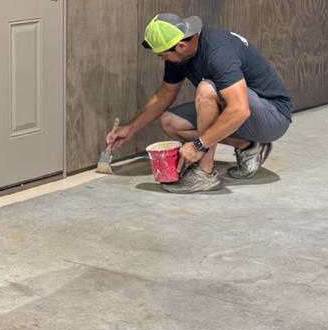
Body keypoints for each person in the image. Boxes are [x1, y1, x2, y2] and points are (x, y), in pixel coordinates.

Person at [107, 13, 293, 194]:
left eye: (162, 55)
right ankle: (248, 146)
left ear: (180, 46)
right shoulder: (181, 54)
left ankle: (204, 174)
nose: (162, 59)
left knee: (206, 89)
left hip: (273, 115)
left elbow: (239, 110)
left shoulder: (217, 51)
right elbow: (165, 94)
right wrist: (130, 128)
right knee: (170, 122)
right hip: (244, 113)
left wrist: (198, 145)